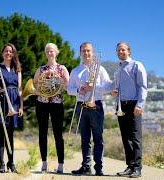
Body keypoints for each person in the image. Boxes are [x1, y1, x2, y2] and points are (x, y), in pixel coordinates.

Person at [67, 42, 113, 176]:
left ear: (92, 52)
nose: (86, 53)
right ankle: (86, 166)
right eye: (84, 51)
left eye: (88, 51)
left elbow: (108, 87)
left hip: (96, 105)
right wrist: (79, 90)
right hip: (81, 105)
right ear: (80, 53)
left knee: (98, 138)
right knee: (85, 138)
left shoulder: (101, 69)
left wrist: (93, 87)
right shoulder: (75, 71)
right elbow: (69, 89)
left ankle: (99, 168)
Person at [111, 42, 147, 178]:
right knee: (126, 138)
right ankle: (130, 166)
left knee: (135, 138)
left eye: (123, 50)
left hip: (134, 105)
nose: (120, 52)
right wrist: (115, 92)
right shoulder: (118, 70)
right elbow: (118, 88)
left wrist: (140, 105)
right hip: (121, 105)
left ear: (129, 51)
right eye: (118, 50)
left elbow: (143, 86)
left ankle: (137, 168)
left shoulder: (137, 65)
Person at [33, 43, 69, 174]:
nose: (49, 53)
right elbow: (35, 84)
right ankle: (44, 163)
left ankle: (60, 164)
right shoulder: (41, 69)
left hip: (56, 103)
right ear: (45, 53)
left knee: (58, 134)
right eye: (47, 51)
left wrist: (59, 78)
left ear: (56, 52)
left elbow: (67, 86)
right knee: (42, 133)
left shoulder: (62, 68)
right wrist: (40, 89)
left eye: (52, 51)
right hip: (41, 102)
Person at [0, 43, 23, 173]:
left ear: (13, 54)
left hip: (14, 101)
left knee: (10, 133)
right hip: (2, 101)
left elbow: (20, 89)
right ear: (2, 53)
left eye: (11, 51)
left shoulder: (17, 69)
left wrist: (21, 106)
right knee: (1, 133)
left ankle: (11, 162)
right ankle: (2, 162)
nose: (8, 53)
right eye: (6, 51)